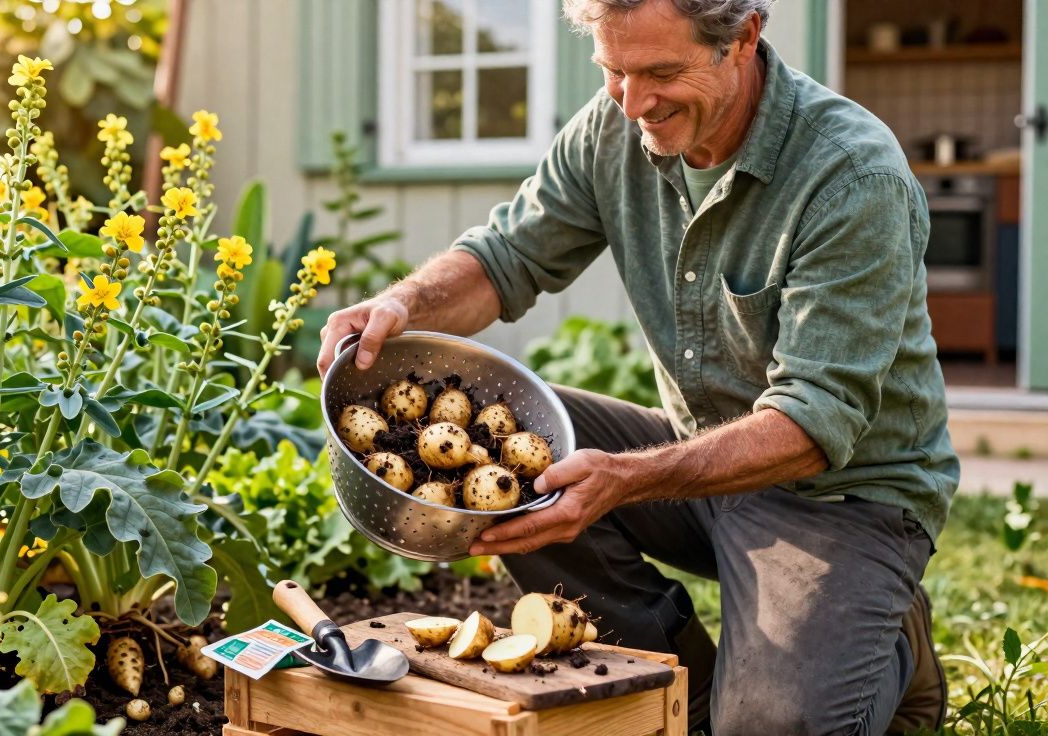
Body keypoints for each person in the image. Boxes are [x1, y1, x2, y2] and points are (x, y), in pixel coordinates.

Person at [317, 0, 959, 734]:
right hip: (698, 460)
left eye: (661, 71)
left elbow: (813, 422)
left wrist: (627, 479)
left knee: (772, 729)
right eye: (613, 69)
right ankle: (684, 691)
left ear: (744, 37)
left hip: (840, 497)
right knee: (524, 463)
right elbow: (507, 257)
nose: (634, 100)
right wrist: (399, 307)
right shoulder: (614, 124)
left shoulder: (849, 176)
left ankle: (891, 630)